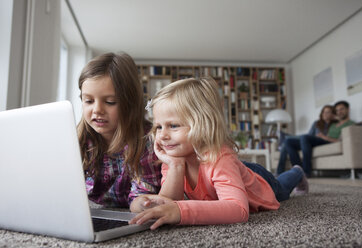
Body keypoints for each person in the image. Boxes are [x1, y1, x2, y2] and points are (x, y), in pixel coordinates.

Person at [129, 77, 308, 230]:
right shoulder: (173, 158)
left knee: (283, 188)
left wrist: (181, 212)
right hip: (233, 171)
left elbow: (239, 210)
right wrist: (175, 166)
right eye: (158, 127)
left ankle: (298, 171)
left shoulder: (220, 157)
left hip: (259, 182)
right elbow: (170, 202)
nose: (162, 135)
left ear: (204, 124)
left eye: (173, 125)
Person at [77, 52, 162, 208]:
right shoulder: (78, 139)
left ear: (130, 104)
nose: (97, 110)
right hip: (90, 211)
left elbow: (142, 194)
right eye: (88, 101)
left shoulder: (147, 140)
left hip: (125, 214)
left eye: (110, 102)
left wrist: (143, 204)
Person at [284, 100, 354, 177]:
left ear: (348, 109)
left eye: (342, 109)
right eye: (337, 110)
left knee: (304, 137)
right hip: (323, 140)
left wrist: (324, 137)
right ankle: (297, 171)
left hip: (329, 141)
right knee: (288, 141)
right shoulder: (334, 124)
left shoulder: (350, 124)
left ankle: (306, 171)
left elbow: (339, 141)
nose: (339, 112)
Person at [276, 105, 336, 175]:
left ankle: (306, 171)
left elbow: (331, 137)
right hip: (311, 140)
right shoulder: (317, 123)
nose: (325, 114)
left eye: (328, 112)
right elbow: (309, 134)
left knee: (302, 137)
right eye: (324, 112)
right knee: (288, 142)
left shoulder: (334, 125)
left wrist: (322, 136)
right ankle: (298, 170)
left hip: (323, 141)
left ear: (332, 114)